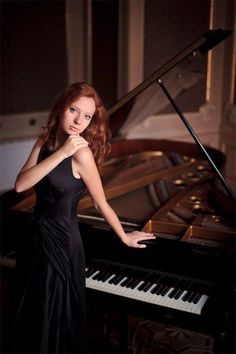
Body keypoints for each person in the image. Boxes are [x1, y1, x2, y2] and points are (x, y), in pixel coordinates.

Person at [14, 82, 155, 354]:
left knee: (54, 314)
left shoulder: (82, 153)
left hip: (63, 245)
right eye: (74, 110)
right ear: (60, 107)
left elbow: (102, 203)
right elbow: (21, 185)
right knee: (33, 311)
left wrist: (124, 235)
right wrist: (60, 152)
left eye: (87, 116)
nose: (79, 121)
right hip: (35, 240)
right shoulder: (45, 140)